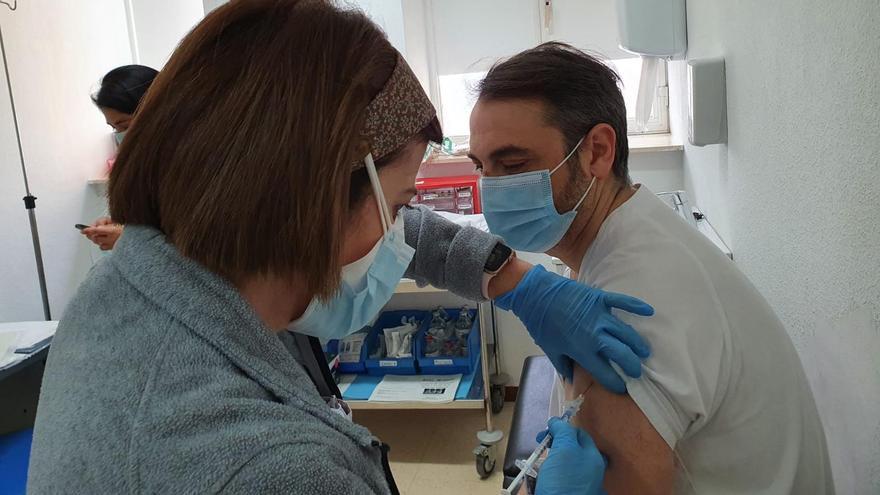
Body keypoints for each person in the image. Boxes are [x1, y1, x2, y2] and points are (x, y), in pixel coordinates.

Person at [28, 3, 647, 494]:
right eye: (402, 204)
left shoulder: (136, 279)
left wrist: (518, 281)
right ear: (313, 199)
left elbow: (402, 225)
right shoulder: (273, 469)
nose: (405, 230)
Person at [469, 42, 834, 493]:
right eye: (482, 167)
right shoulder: (629, 228)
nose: (491, 189)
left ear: (597, 152)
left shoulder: (637, 292)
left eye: (514, 164)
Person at [82, 64, 158, 250]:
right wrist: (124, 227)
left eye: (124, 125)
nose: (120, 135)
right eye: (114, 128)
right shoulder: (144, 164)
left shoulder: (195, 164)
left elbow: (199, 242)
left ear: (157, 111)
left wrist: (126, 240)